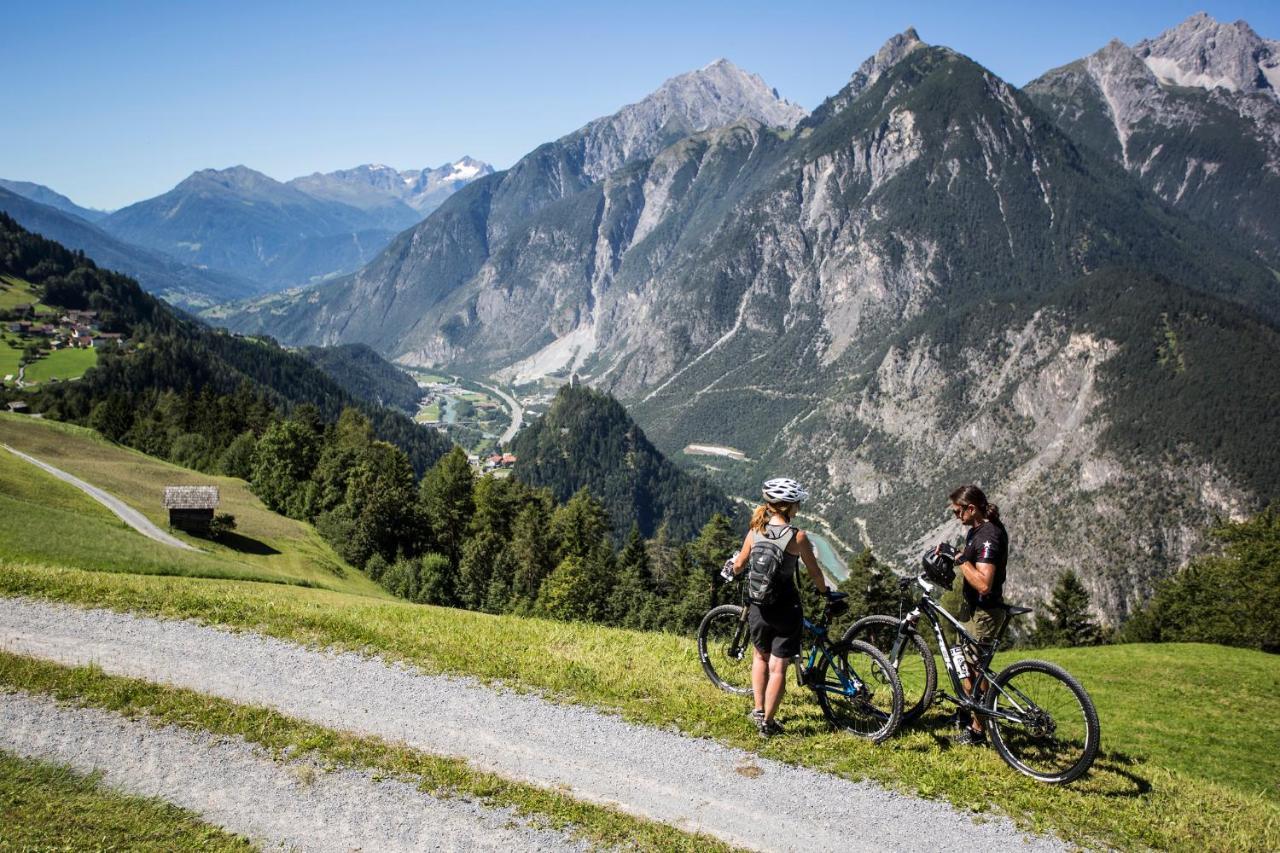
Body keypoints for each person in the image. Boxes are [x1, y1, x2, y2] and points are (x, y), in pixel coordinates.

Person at [722, 477, 835, 737]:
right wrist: (825, 592)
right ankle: (769, 724)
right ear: (788, 506)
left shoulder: (755, 531)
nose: (799, 507)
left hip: (758, 608)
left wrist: (731, 569)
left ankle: (758, 711)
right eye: (797, 503)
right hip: (786, 610)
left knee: (759, 657)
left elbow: (738, 565)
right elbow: (816, 574)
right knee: (778, 667)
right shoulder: (798, 537)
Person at [947, 484, 1009, 746]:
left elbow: (983, 583)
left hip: (984, 612)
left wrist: (961, 560)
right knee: (970, 667)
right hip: (973, 610)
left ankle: (978, 731)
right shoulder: (975, 530)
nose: (956, 517)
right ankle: (972, 714)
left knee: (977, 671)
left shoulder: (988, 536)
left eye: (958, 512)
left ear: (971, 509)